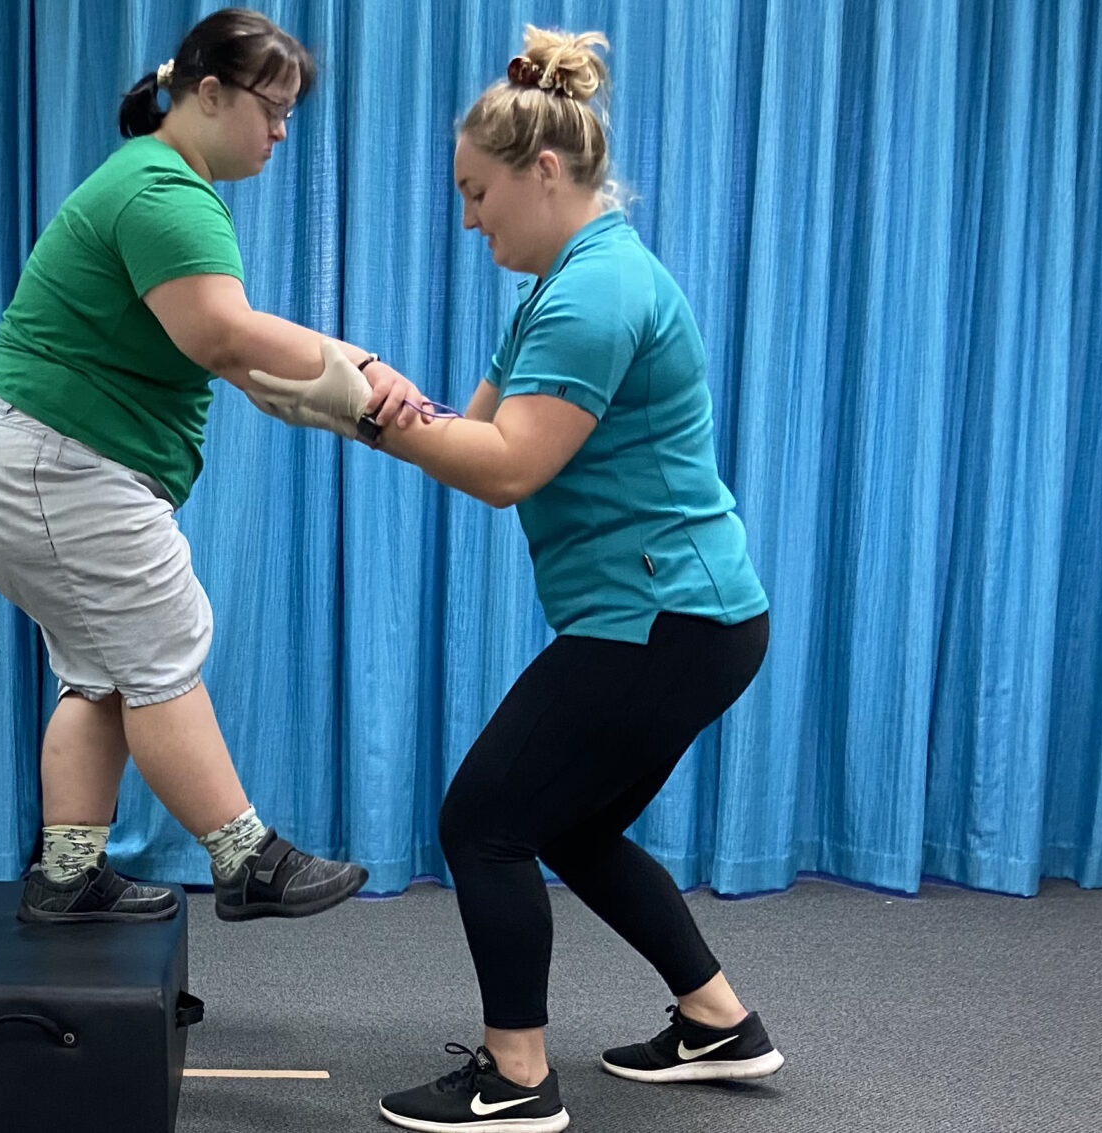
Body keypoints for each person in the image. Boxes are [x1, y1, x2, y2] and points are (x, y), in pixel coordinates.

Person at [286, 28, 780, 1131]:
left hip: (662, 618)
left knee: (483, 822)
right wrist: (372, 392)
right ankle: (717, 1022)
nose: (469, 219)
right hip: (684, 615)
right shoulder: (565, 281)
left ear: (543, 171)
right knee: (573, 825)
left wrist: (359, 411)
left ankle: (514, 1080)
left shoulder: (594, 294)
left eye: (477, 193)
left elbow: (506, 470)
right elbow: (470, 436)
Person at [0, 8, 421, 926]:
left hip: (35, 459)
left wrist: (354, 396)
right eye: (272, 109)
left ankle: (68, 876)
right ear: (207, 93)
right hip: (55, 460)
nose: (282, 132)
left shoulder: (157, 183)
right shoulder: (162, 190)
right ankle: (246, 855)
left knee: (104, 672)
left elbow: (243, 368)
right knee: (162, 646)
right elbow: (227, 336)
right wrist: (362, 372)